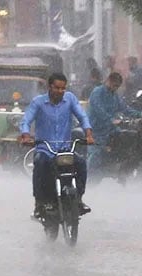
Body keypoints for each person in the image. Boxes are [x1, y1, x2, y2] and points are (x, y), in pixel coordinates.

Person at [19, 72, 94, 218]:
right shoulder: (38, 102)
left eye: (63, 89)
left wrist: (89, 134)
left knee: (81, 163)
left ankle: (78, 199)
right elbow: (26, 121)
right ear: (49, 87)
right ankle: (39, 202)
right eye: (57, 88)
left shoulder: (70, 99)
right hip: (44, 149)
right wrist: (26, 136)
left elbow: (82, 116)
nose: (60, 91)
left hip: (65, 149)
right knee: (40, 164)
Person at [87, 72, 141, 171]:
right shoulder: (97, 92)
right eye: (115, 85)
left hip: (111, 130)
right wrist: (111, 120)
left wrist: (139, 114)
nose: (116, 88)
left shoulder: (114, 95)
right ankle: (89, 177)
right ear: (108, 81)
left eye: (118, 86)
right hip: (96, 131)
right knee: (96, 155)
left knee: (130, 139)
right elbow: (99, 110)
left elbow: (124, 108)